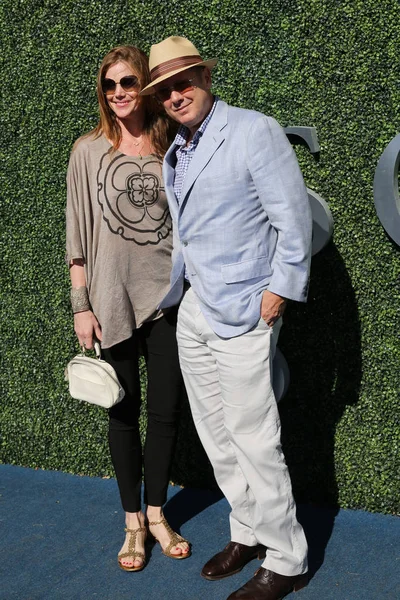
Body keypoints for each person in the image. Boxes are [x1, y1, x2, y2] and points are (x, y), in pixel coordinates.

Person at [140, 36, 312, 599]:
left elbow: (292, 219)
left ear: (205, 78)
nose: (176, 93)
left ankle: (286, 557)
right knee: (216, 435)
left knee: (254, 436)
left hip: (245, 308)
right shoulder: (177, 148)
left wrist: (280, 292)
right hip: (196, 309)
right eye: (165, 89)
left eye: (184, 81)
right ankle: (247, 531)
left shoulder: (253, 130)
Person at [65, 45, 190, 572]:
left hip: (167, 300)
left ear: (144, 87)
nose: (119, 93)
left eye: (128, 82)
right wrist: (81, 305)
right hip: (109, 300)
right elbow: (76, 235)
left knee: (164, 414)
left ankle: (158, 514)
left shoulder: (172, 146)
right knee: (122, 413)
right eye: (110, 85)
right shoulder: (87, 150)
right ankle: (132, 524)